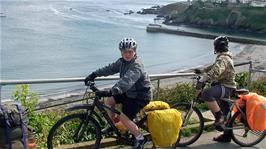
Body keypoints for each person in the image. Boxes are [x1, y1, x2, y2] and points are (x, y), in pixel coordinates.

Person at [84, 38, 151, 149]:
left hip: (140, 95)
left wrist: (111, 91)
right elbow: (109, 68)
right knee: (109, 101)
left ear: (135, 51)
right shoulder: (122, 62)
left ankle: (140, 138)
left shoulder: (136, 65)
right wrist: (94, 74)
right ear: (121, 52)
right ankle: (115, 125)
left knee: (124, 118)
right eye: (125, 52)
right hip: (129, 92)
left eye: (130, 51)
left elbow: (126, 81)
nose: (127, 54)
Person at [194, 36, 236, 142]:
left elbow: (216, 71)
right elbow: (214, 67)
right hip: (225, 86)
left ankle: (219, 117)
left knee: (206, 94)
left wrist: (203, 79)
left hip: (226, 87)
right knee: (226, 111)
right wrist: (202, 70)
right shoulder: (224, 57)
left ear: (216, 47)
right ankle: (227, 135)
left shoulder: (223, 58)